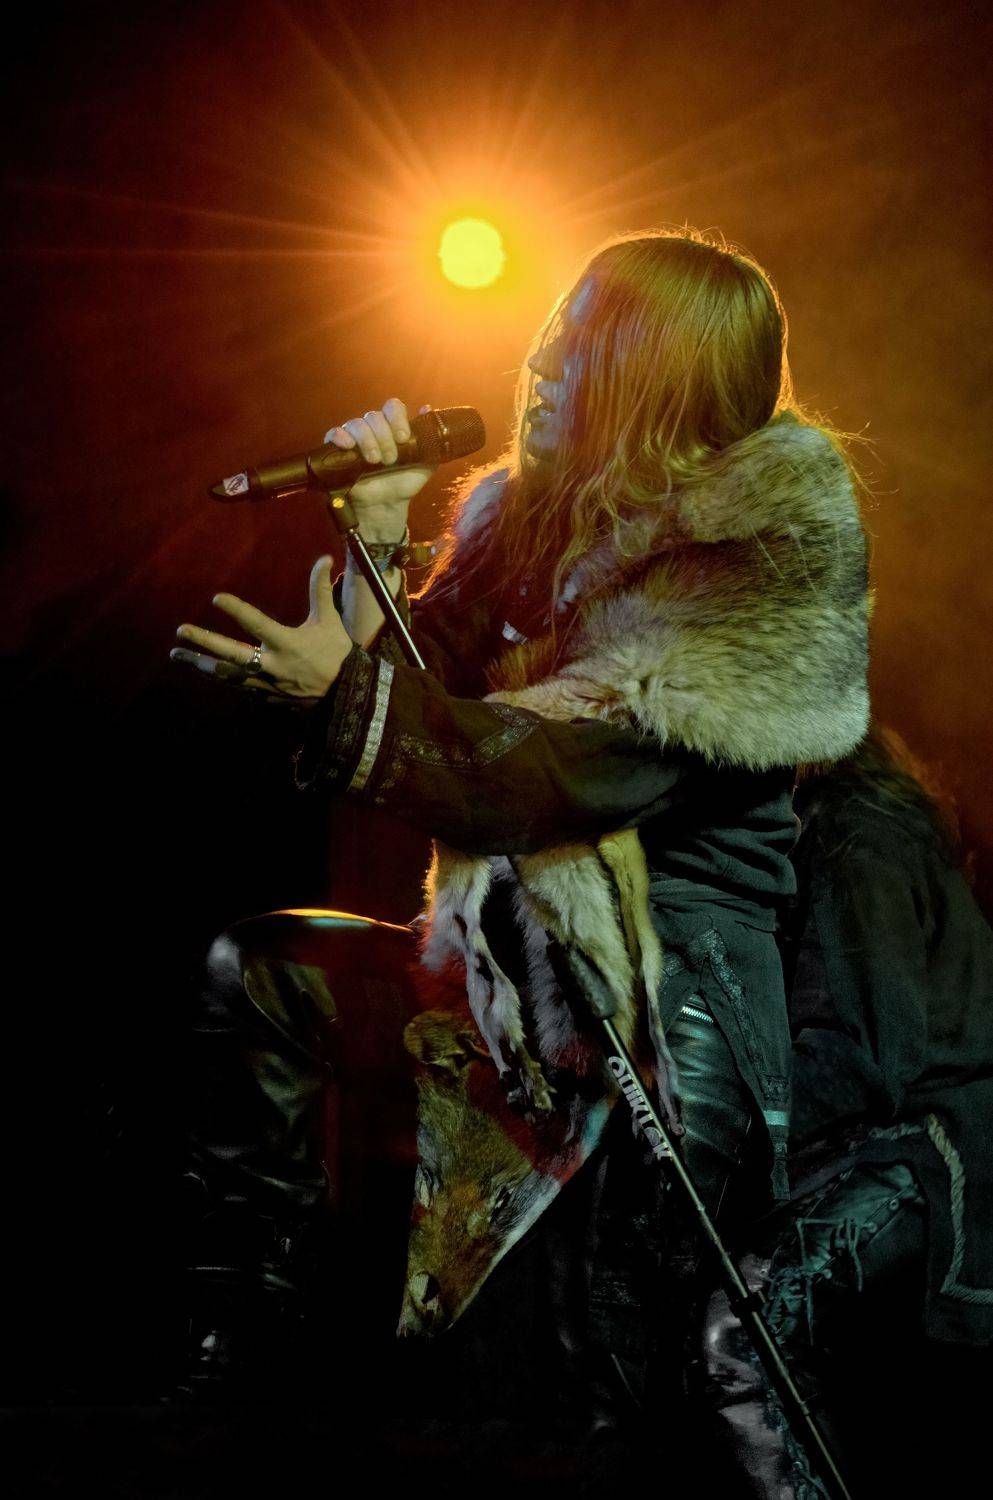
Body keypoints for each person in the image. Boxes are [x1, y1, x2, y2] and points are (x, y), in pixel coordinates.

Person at [171, 229, 871, 1417]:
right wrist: (378, 527)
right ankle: (251, 1345)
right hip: (498, 973)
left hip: (662, 1005)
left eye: (580, 340)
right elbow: (421, 710)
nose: (539, 362)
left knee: (574, 1377)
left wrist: (348, 699)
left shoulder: (759, 554)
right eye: (550, 330)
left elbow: (550, 777)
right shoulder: (526, 523)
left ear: (659, 372)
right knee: (266, 969)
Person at [696, 727, 993, 1495]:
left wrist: (717, 1135)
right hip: (916, 1139)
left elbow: (865, 1054)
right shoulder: (850, 821)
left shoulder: (851, 836)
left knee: (744, 1333)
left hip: (933, 1149)